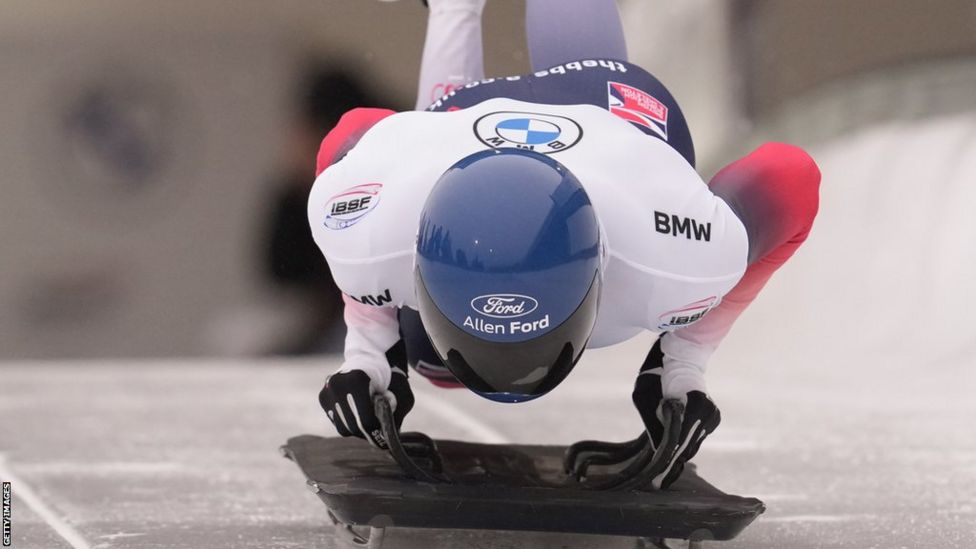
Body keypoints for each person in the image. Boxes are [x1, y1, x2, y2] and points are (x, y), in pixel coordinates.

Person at [310, 0, 820, 488]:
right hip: (512, 113)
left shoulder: (675, 255)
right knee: (435, 362)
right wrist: (369, 352)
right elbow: (792, 177)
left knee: (432, 356)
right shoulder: (367, 228)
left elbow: (791, 179)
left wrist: (683, 359)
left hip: (610, 118)